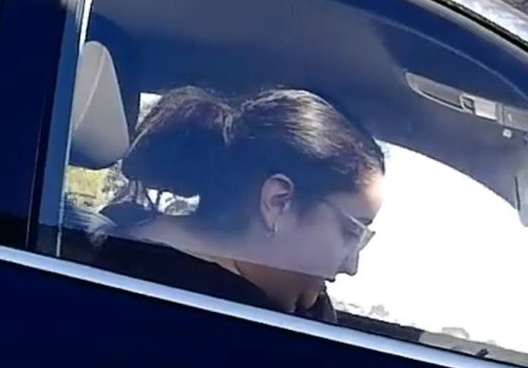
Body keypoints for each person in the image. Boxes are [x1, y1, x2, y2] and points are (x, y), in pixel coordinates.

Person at [94, 86, 385, 322]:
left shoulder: (112, 254)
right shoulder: (238, 330)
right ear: (278, 202)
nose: (351, 267)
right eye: (351, 231)